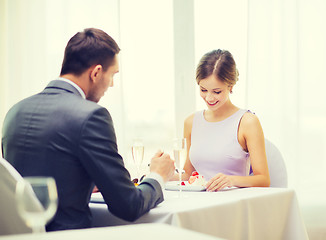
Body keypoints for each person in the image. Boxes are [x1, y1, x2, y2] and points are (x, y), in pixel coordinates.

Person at [1, 28, 175, 231]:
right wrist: (157, 175)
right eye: (112, 76)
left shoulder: (15, 111)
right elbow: (129, 205)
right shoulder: (91, 116)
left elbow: (40, 173)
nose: (111, 85)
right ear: (96, 72)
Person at [180, 49, 270, 191]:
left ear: (231, 86)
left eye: (216, 92)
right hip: (196, 203)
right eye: (203, 90)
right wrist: (160, 174)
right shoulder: (191, 122)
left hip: (231, 204)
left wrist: (230, 180)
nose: (209, 98)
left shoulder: (247, 122)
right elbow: (187, 175)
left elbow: (263, 179)